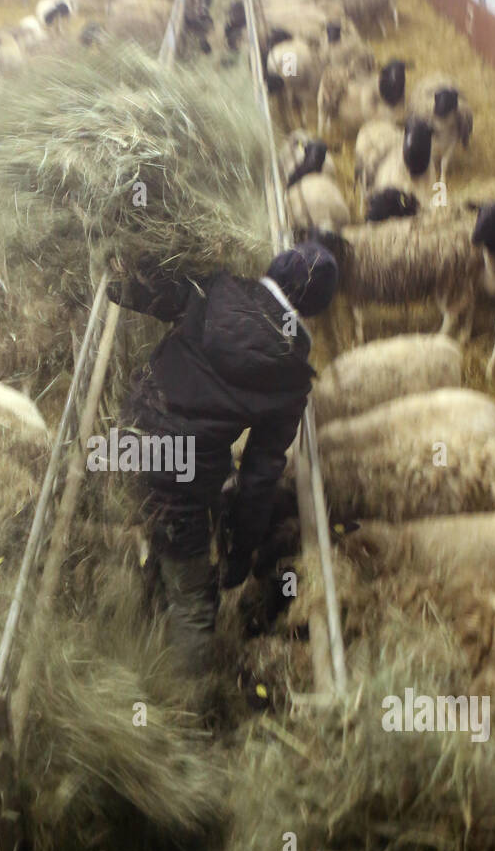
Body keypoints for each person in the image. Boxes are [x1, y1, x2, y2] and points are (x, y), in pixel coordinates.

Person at [107, 241, 338, 671]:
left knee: (166, 536)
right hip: (181, 475)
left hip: (128, 438)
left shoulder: (215, 288)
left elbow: (148, 290)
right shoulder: (290, 379)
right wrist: (240, 552)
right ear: (315, 309)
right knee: (195, 605)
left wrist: (118, 264)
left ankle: (145, 613)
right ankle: (177, 709)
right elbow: (259, 476)